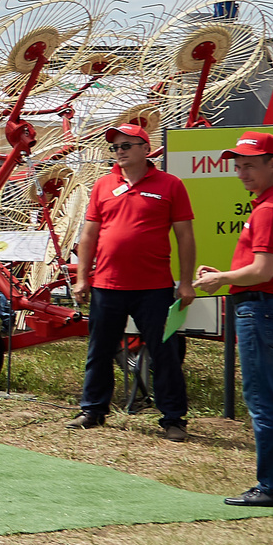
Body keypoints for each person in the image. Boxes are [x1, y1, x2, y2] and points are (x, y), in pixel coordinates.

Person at [192, 132, 273, 506]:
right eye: (238, 165)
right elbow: (266, 268)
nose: (241, 172)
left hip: (261, 309)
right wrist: (228, 274)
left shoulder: (270, 208)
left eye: (250, 164)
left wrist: (221, 279)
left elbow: (262, 269)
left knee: (264, 400)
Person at [68, 122, 196, 439]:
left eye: (126, 146)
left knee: (164, 351)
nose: (119, 152)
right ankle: (93, 410)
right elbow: (89, 236)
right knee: (99, 350)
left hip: (153, 288)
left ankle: (173, 419)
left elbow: (185, 237)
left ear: (145, 149)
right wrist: (83, 278)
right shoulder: (102, 186)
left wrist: (186, 282)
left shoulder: (171, 185)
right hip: (107, 285)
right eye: (115, 147)